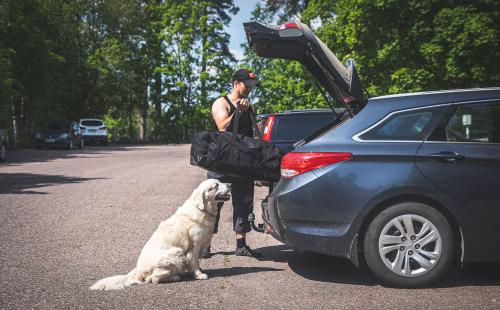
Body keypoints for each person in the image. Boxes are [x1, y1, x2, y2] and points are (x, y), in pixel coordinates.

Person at [206, 69, 262, 258]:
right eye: (247, 85)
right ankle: (205, 246)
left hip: (243, 162)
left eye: (252, 85)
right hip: (222, 161)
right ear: (235, 83)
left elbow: (252, 134)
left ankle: (241, 245)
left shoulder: (250, 105)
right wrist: (238, 111)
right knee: (214, 203)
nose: (250, 89)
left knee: (244, 202)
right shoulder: (221, 102)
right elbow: (222, 128)